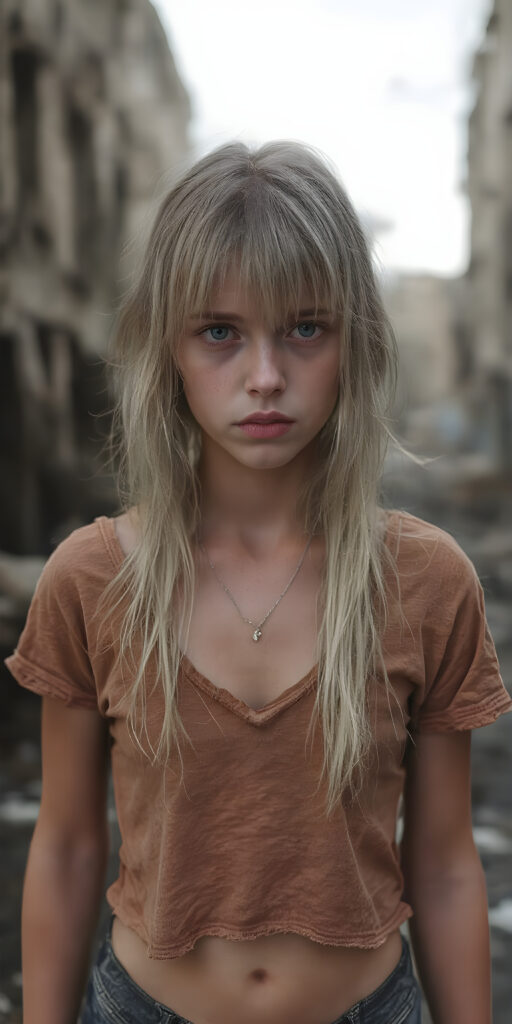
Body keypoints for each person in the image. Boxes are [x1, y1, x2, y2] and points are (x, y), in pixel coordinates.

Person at [5, 139, 511, 1024]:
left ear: (356, 341)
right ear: (167, 347)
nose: (266, 376)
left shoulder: (427, 581)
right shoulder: (93, 580)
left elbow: (442, 860)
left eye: (305, 328)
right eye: (221, 332)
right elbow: (70, 847)